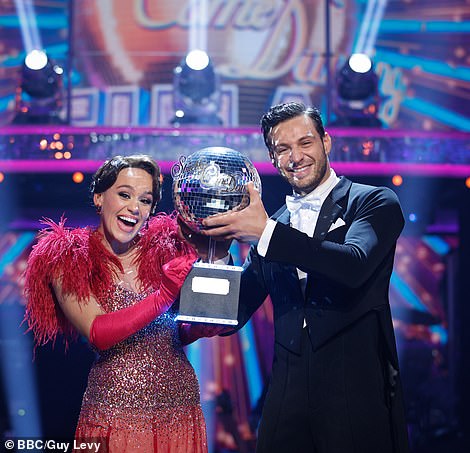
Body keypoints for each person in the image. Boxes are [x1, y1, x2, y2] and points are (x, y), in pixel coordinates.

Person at [197, 102, 410, 453]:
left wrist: (266, 232)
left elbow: (353, 265)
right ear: (272, 158)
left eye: (305, 142)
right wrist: (215, 253)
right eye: (283, 149)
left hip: (354, 390)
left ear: (326, 142)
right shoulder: (272, 225)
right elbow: (230, 314)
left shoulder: (373, 202)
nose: (296, 156)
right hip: (285, 395)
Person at [24, 155, 217, 452]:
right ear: (99, 197)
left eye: (145, 200)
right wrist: (164, 295)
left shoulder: (165, 252)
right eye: (124, 195)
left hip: (180, 412)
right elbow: (97, 332)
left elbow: (171, 334)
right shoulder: (69, 258)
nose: (134, 208)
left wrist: (200, 325)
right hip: (115, 417)